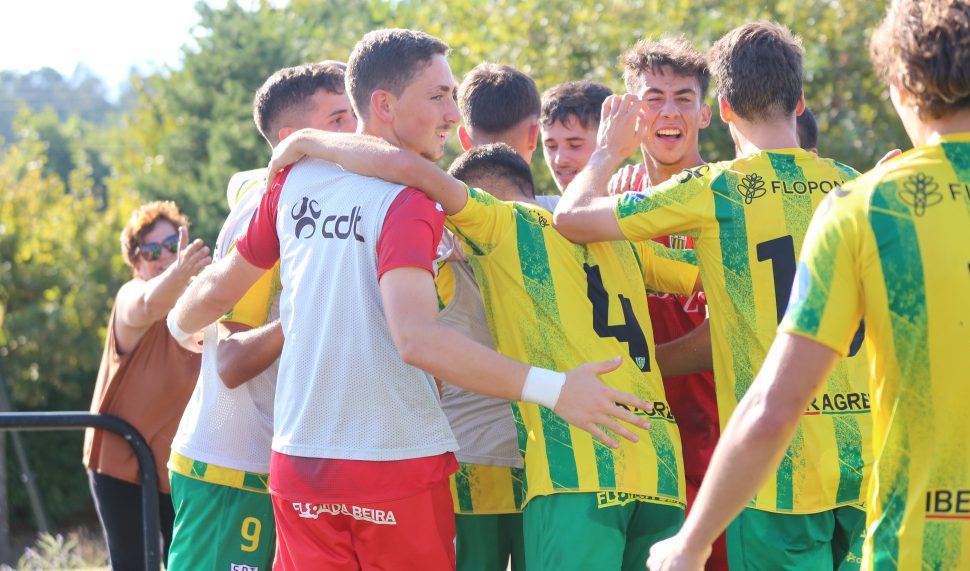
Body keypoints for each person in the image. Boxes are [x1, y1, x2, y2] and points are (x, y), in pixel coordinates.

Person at [166, 29, 651, 570]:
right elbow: (417, 339)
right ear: (384, 104)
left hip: (299, 465)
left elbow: (219, 285)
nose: (452, 113)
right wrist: (555, 389)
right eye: (438, 96)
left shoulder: (294, 181)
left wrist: (179, 321)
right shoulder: (411, 203)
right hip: (394, 466)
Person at [648, 0, 970, 571]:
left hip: (921, 544)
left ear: (901, 84)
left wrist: (689, 546)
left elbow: (775, 405)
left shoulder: (866, 207)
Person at [265, 131, 700, 570]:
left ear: (476, 197)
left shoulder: (502, 223)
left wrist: (309, 141)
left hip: (579, 467)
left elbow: (407, 167)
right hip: (661, 465)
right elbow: (710, 282)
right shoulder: (614, 233)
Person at [554, 22, 874, 571]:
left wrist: (605, 154)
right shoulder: (856, 185)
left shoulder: (716, 189)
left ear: (720, 109)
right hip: (866, 461)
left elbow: (570, 219)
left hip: (772, 472)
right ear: (799, 101)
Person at [166, 61, 355, 570]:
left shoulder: (321, 199)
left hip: (282, 465)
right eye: (339, 119)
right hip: (231, 467)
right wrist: (315, 314)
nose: (355, 131)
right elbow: (229, 359)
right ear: (294, 139)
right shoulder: (263, 211)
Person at [611, 36, 727, 571]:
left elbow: (725, 334)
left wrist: (642, 367)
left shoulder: (726, 196)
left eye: (684, 97)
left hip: (718, 441)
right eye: (653, 96)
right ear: (631, 111)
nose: (669, 111)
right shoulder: (609, 200)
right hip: (633, 443)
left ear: (705, 114)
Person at [444, 63, 543, 571]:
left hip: (465, 448)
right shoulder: (565, 219)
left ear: (462, 134)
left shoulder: (428, 222)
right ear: (536, 133)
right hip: (549, 449)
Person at [83, 201, 210, 569]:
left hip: (177, 465)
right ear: (137, 263)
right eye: (152, 251)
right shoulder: (130, 297)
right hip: (122, 458)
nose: (165, 256)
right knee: (133, 565)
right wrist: (180, 272)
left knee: (185, 561)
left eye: (172, 245)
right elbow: (151, 302)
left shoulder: (201, 304)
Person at [540, 80, 612, 193]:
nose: (560, 159)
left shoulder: (640, 205)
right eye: (551, 146)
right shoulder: (531, 208)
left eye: (575, 145)